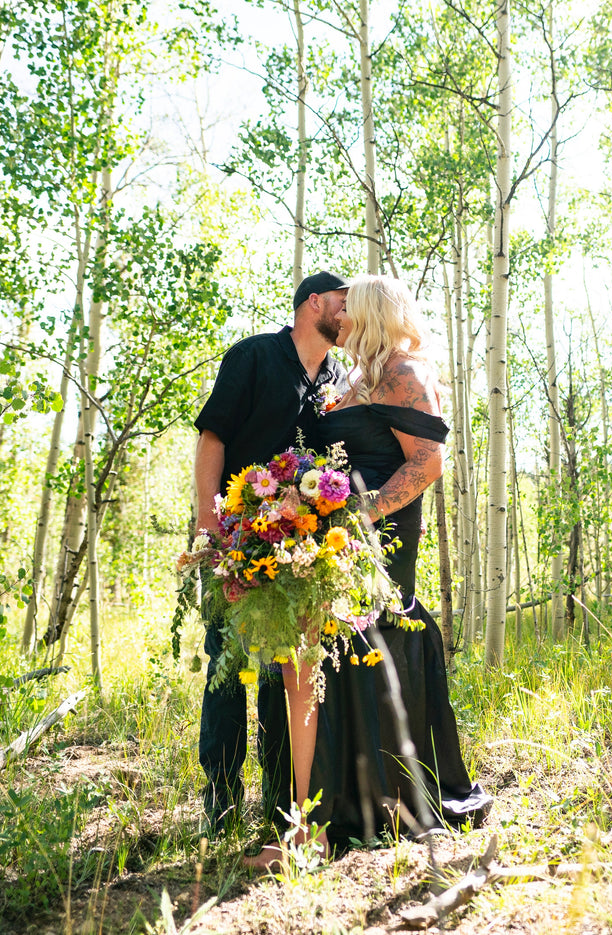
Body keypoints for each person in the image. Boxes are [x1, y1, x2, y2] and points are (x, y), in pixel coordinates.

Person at [248, 274, 491, 866]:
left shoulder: (407, 371)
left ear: (372, 314)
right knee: (323, 652)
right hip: (342, 536)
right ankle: (329, 817)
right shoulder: (357, 376)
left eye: (349, 310)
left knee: (363, 639)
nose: (341, 320)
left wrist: (360, 513)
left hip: (380, 533)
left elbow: (429, 463)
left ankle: (362, 812)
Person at [194, 270, 349, 833]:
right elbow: (212, 437)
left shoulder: (338, 378)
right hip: (237, 539)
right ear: (314, 304)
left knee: (286, 676)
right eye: (342, 302)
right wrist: (210, 529)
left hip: (302, 552)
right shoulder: (254, 356)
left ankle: (279, 807)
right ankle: (220, 804)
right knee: (231, 670)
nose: (348, 313)